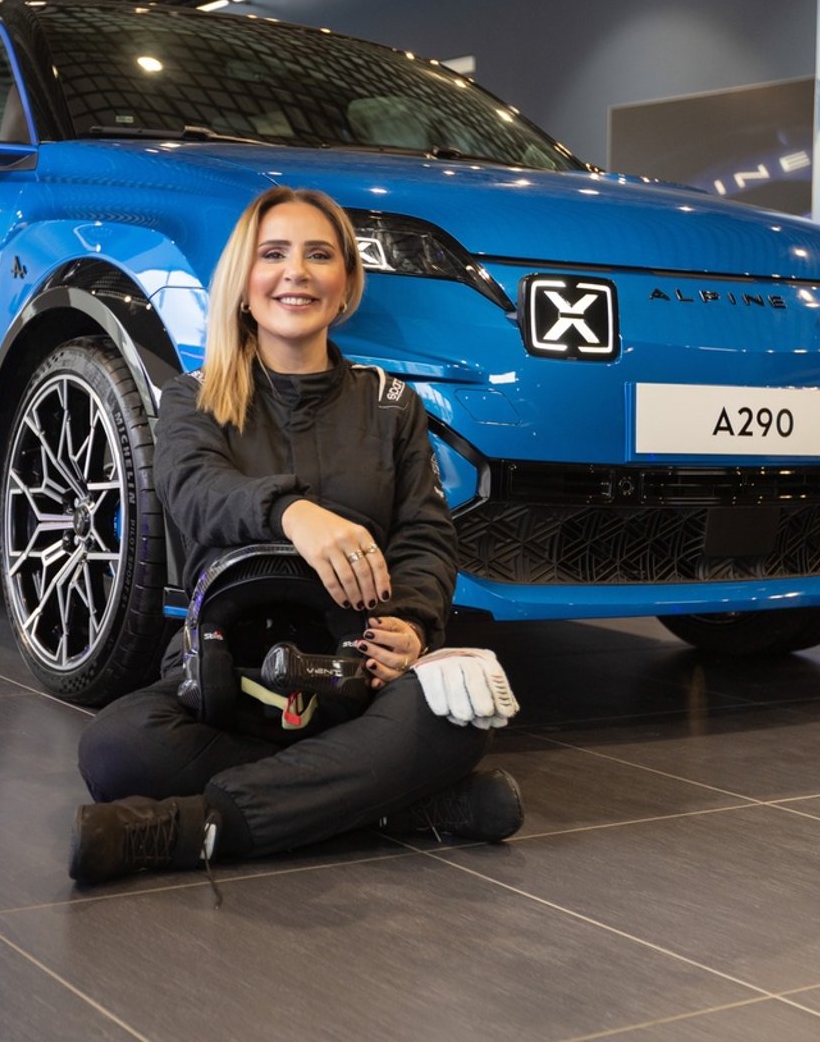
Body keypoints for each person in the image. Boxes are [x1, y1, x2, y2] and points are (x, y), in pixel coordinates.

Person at [72, 186, 522, 886]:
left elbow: (426, 536)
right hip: (226, 682)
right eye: (274, 254)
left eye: (319, 255)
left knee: (462, 716)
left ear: (346, 284)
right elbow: (192, 490)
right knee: (114, 750)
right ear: (243, 284)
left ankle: (190, 829)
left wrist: (411, 622)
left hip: (360, 680)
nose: (297, 272)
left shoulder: (391, 405)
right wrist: (292, 514)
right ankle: (389, 808)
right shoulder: (193, 399)